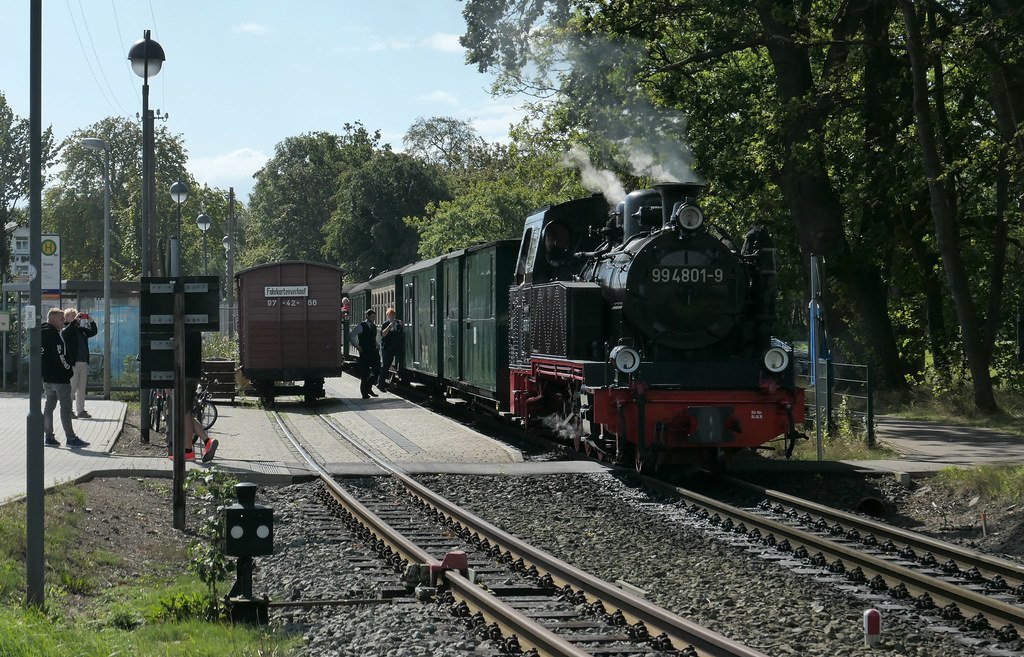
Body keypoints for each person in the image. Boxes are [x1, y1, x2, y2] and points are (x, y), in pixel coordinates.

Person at [42, 308, 89, 448]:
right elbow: (60, 355)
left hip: (47, 378)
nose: (63, 322)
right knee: (65, 407)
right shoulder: (54, 335)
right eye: (61, 319)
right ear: (54, 319)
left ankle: (49, 436)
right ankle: (71, 438)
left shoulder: (41, 333)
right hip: (60, 378)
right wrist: (68, 370)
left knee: (49, 407)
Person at [63, 308, 97, 419]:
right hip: (73, 363)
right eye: (72, 316)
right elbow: (65, 333)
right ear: (66, 318)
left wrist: (90, 320)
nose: (75, 317)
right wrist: (74, 322)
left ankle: (81, 410)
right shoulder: (66, 329)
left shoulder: (80, 329)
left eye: (76, 315)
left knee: (81, 388)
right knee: (72, 388)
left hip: (83, 362)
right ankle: (68, 410)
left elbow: (93, 332)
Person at [350, 309, 380, 399]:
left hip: (373, 351)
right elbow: (351, 335)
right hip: (365, 352)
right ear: (367, 316)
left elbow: (373, 338)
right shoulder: (361, 326)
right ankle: (365, 393)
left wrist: (377, 344)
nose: (374, 319)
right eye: (372, 317)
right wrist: (357, 346)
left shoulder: (373, 326)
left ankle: (368, 387)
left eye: (375, 317)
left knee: (377, 370)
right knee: (365, 373)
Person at [377, 307, 403, 391]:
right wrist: (389, 327)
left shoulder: (398, 323)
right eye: (389, 315)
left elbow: (402, 332)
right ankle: (380, 384)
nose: (391, 317)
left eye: (393, 315)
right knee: (385, 366)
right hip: (387, 348)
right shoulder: (385, 324)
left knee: (401, 360)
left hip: (396, 347)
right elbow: (383, 334)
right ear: (387, 316)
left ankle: (400, 374)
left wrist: (402, 325)